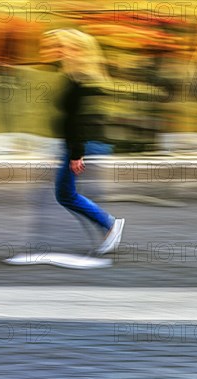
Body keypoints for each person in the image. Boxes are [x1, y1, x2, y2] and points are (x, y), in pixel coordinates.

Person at [40, 29, 124, 254]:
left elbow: (79, 120)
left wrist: (76, 153)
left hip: (76, 145)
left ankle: (109, 225)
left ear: (77, 50)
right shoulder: (72, 76)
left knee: (65, 194)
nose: (59, 52)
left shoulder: (81, 81)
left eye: (64, 47)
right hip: (71, 144)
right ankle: (106, 226)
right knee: (66, 193)